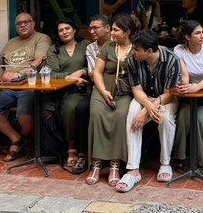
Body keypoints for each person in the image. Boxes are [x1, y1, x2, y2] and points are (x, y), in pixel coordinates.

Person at [0, 13, 51, 162]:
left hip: (30, 86)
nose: (23, 25)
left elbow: (40, 61)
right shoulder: (11, 42)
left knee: (24, 114)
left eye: (26, 22)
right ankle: (16, 138)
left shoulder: (41, 38)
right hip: (7, 87)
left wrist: (18, 74)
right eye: (19, 23)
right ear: (16, 27)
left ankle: (23, 139)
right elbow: (1, 69)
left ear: (33, 23)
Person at [116, 30, 180, 192]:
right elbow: (136, 89)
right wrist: (146, 106)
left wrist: (148, 110)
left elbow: (169, 94)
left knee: (164, 118)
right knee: (132, 117)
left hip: (165, 98)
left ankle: (165, 163)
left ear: (149, 51)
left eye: (136, 49)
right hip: (144, 97)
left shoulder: (172, 61)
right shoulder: (133, 61)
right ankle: (133, 169)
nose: (133, 52)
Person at [86, 14, 137, 186]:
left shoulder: (136, 48)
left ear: (127, 32)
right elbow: (97, 72)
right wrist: (103, 91)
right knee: (96, 114)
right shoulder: (108, 46)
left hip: (125, 91)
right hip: (103, 87)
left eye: (116, 30)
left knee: (121, 116)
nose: (112, 33)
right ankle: (97, 163)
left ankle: (115, 163)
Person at [42, 18, 90, 170]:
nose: (64, 32)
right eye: (61, 30)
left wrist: (83, 71)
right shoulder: (54, 49)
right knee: (42, 108)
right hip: (60, 89)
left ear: (74, 29)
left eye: (67, 28)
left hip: (82, 89)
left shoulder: (86, 45)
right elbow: (52, 73)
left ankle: (72, 147)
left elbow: (95, 66)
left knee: (69, 108)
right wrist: (70, 78)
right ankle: (51, 149)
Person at [172, 20, 203, 168]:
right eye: (197, 33)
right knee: (183, 117)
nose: (202, 36)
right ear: (187, 37)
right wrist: (184, 85)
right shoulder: (179, 50)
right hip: (189, 95)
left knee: (200, 118)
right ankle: (179, 156)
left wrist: (195, 88)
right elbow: (184, 75)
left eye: (202, 32)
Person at [72, 14, 111, 175]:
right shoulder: (91, 48)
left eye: (96, 27)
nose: (92, 31)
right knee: (82, 108)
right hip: (99, 88)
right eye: (90, 28)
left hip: (121, 88)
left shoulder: (118, 44)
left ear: (107, 28)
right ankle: (83, 153)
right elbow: (93, 73)